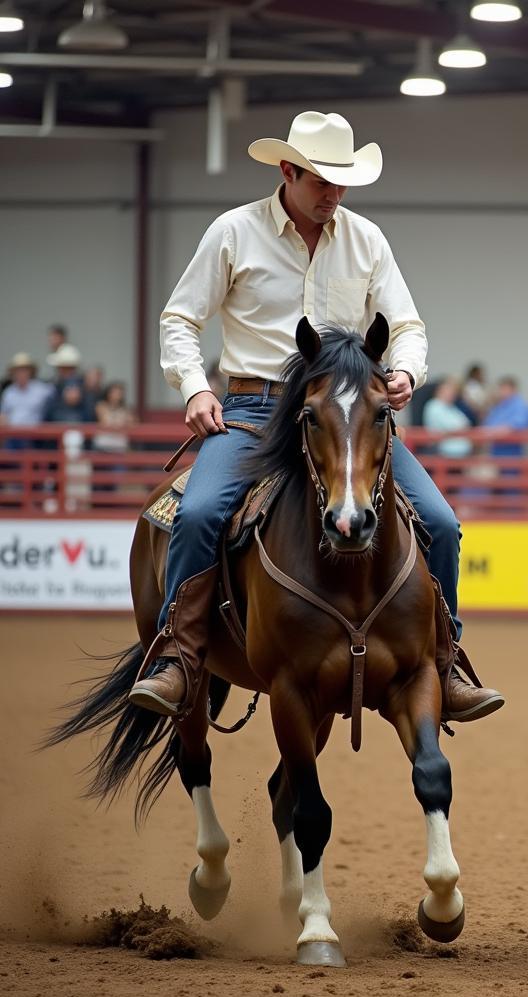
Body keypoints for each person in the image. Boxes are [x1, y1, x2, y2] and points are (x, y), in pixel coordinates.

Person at [128, 110, 503, 726]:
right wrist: (195, 389)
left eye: (341, 182)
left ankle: (447, 657)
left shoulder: (367, 240)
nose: (332, 194)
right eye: (320, 181)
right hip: (252, 409)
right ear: (287, 171)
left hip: (341, 410)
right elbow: (180, 318)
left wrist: (403, 370)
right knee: (196, 513)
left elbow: (405, 323)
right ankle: (179, 658)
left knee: (441, 521)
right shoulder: (233, 233)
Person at [0, 353, 54, 444]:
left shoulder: (41, 389)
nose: (21, 373)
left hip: (34, 436)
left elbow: (56, 397)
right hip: (13, 435)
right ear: (13, 373)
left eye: (24, 370)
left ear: (31, 372)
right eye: (18, 370)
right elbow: (3, 415)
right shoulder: (9, 392)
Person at [423, 376, 473, 458]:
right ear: (440, 391)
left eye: (453, 391)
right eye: (449, 390)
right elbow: (453, 426)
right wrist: (462, 428)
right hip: (443, 452)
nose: (452, 394)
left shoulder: (450, 406)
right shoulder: (434, 405)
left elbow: (467, 423)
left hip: (460, 453)